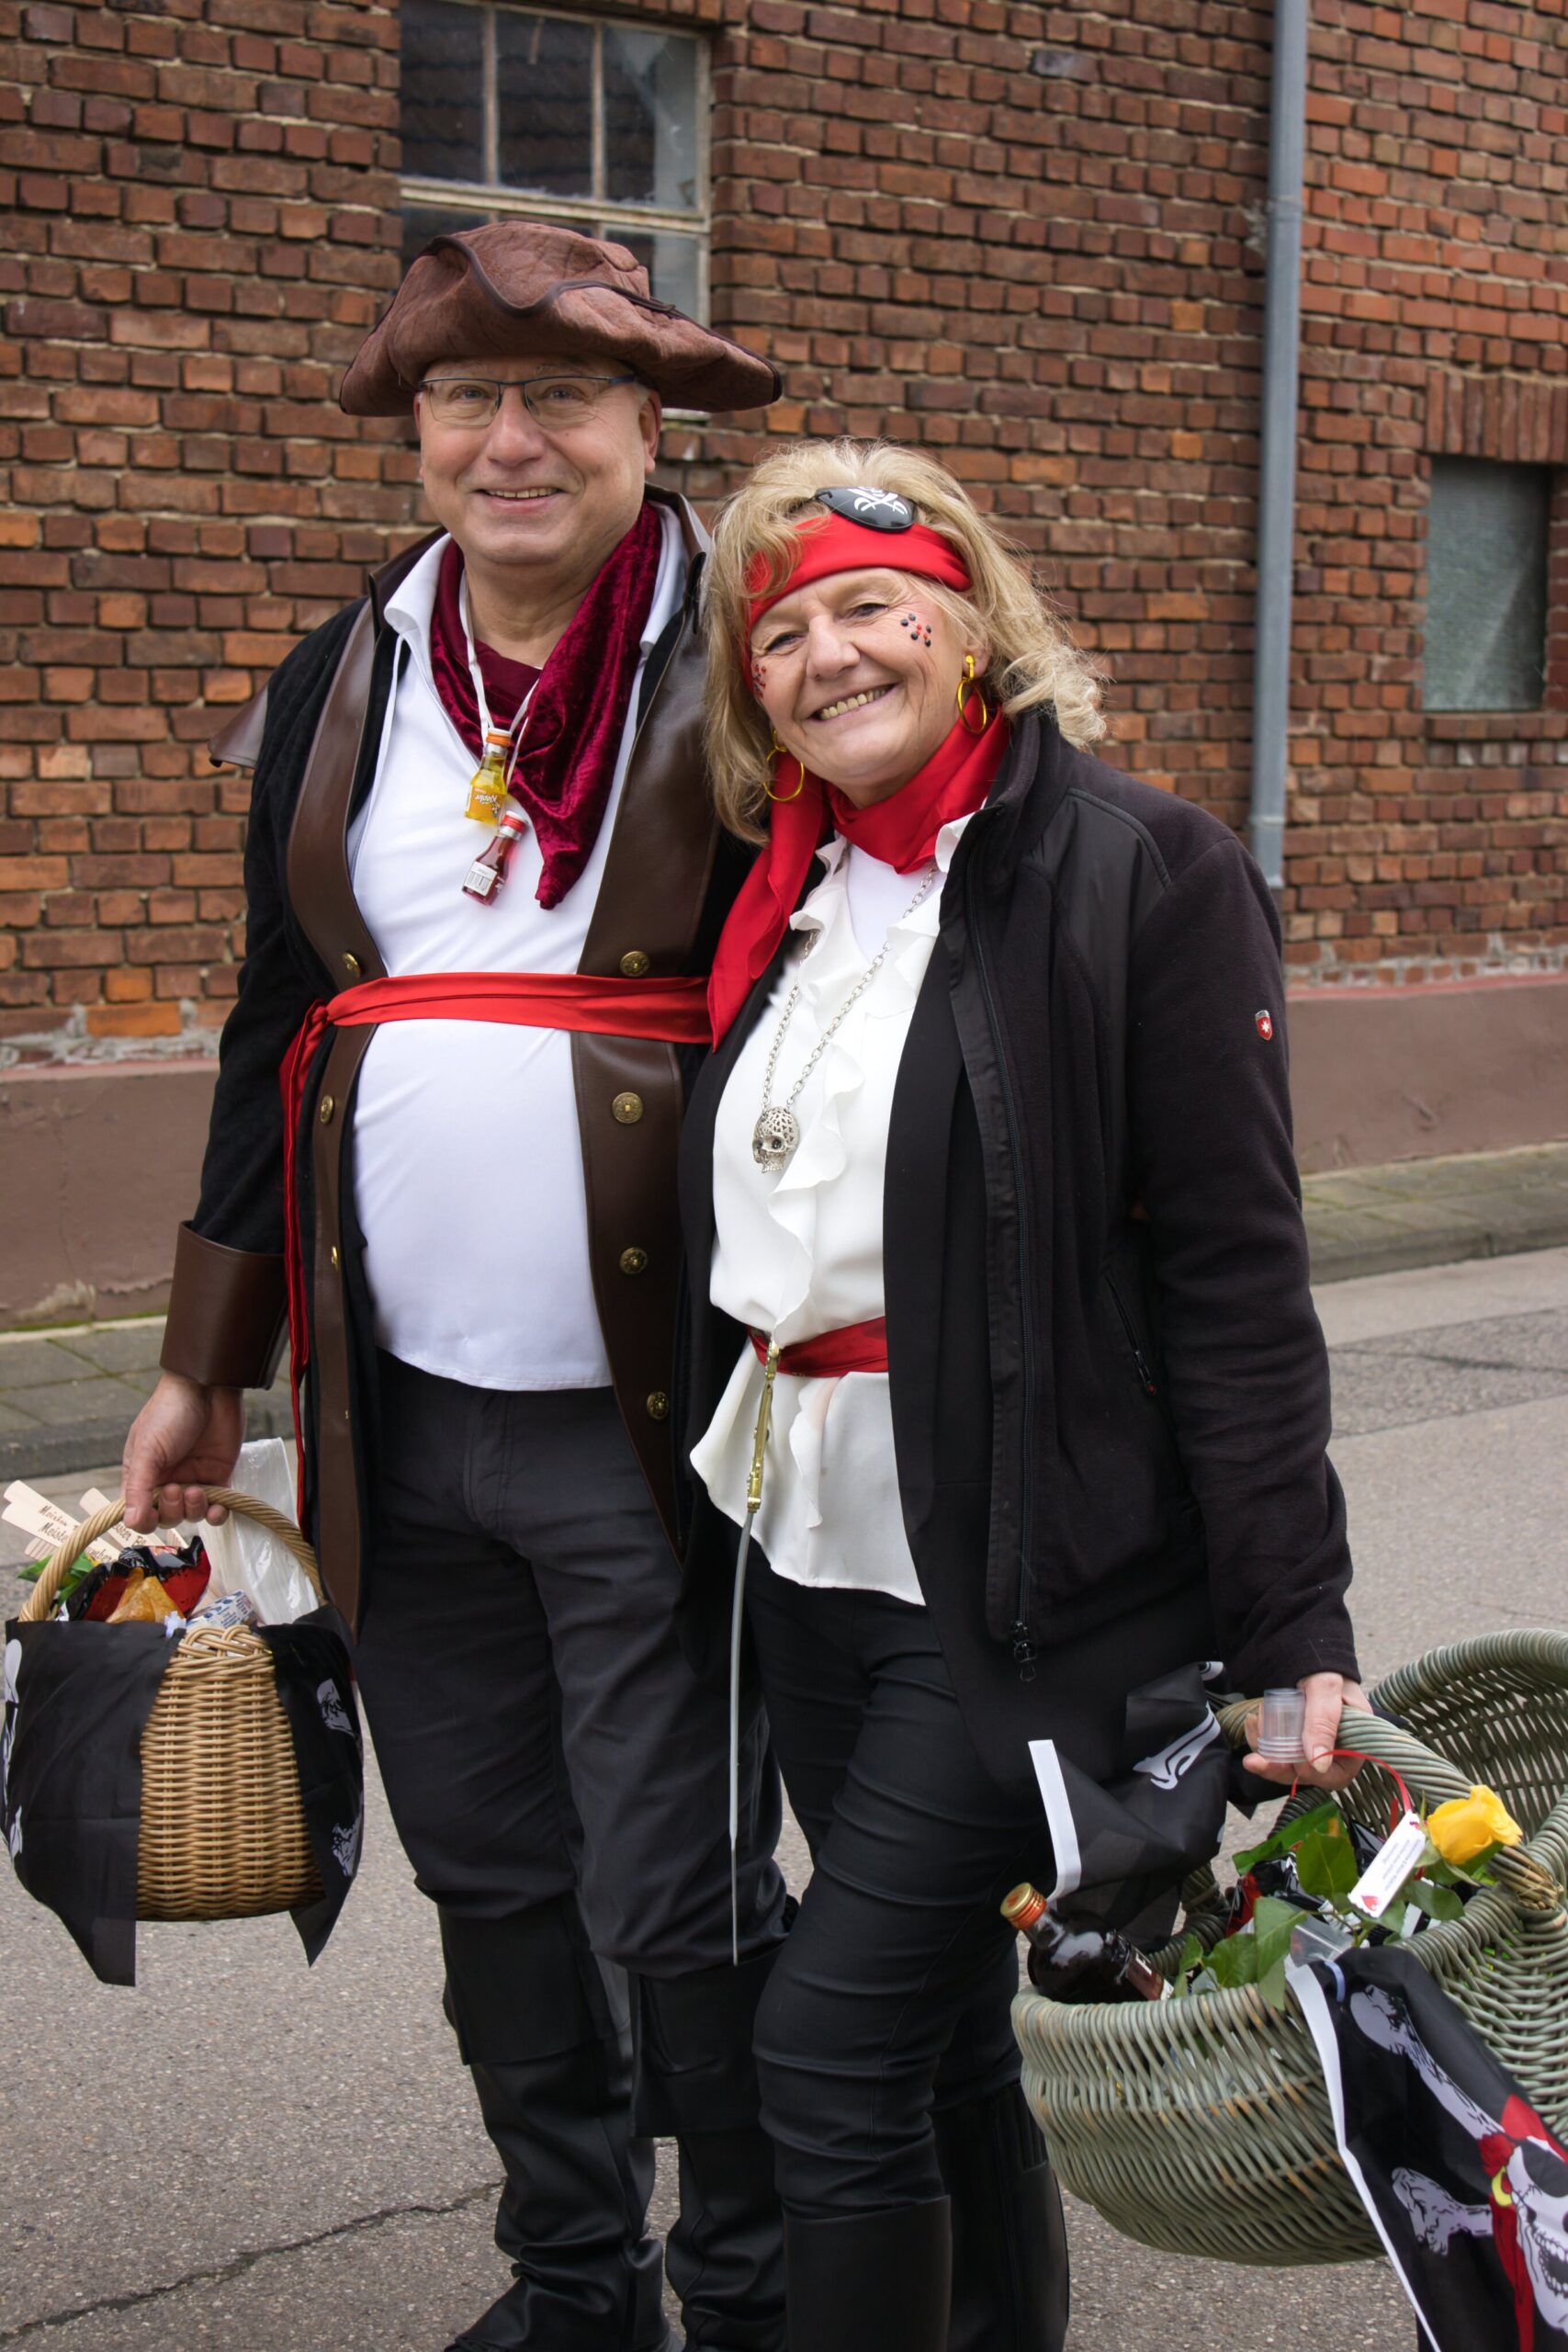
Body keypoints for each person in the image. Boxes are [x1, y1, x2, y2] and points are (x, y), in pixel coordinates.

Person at [119, 222, 790, 2352]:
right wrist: (204, 1357)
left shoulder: (752, 649)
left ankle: (753, 2282)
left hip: (659, 1404)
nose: (511, 440)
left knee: (673, 1876)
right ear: (414, 431)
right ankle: (572, 2277)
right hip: (388, 1407)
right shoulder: (351, 669)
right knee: (489, 1863)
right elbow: (276, 1017)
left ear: (643, 426)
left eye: (559, 397)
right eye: (466, 398)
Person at [676, 440, 1370, 2352]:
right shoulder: (785, 894)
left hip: (1024, 1578)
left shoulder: (1142, 869)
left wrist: (1291, 1621)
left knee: (824, 2050)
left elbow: (1234, 1273)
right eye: (781, 632)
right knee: (932, 2037)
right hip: (807, 1546)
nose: (826, 655)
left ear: (970, 623)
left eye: (872, 607)